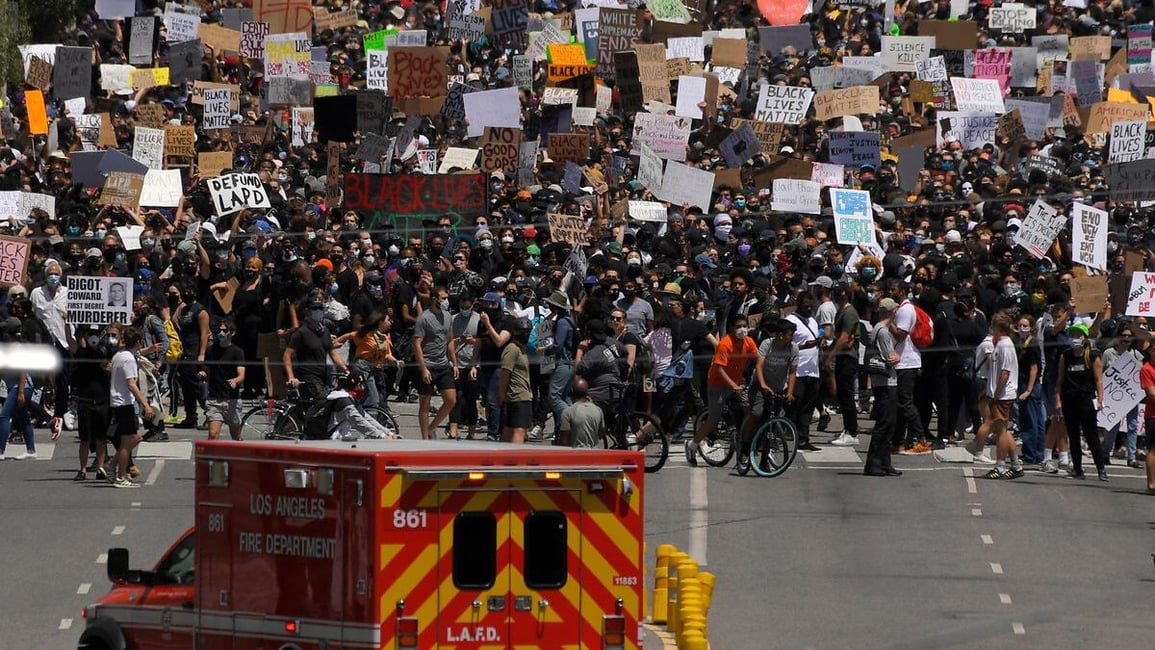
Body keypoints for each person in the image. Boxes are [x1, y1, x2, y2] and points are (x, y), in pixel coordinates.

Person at [685, 314, 757, 467]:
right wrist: (733, 386)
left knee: (750, 411)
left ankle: (743, 444)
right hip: (718, 384)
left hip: (737, 382)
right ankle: (693, 445)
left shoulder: (749, 342)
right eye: (738, 327)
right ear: (731, 328)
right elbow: (719, 368)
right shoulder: (725, 344)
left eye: (744, 326)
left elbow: (758, 359)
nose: (742, 329)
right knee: (714, 419)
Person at [738, 319, 797, 471]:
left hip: (777, 388)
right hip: (760, 385)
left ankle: (765, 459)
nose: (792, 337)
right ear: (780, 335)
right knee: (757, 413)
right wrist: (763, 385)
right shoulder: (767, 344)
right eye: (790, 334)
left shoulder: (793, 348)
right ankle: (745, 449)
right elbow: (759, 365)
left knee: (771, 423)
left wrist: (790, 392)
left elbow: (792, 372)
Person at [1055, 323, 1108, 481]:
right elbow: (1060, 379)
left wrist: (1100, 399)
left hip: (1086, 399)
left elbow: (1098, 380)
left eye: (1078, 335)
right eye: (1072, 335)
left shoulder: (1092, 355)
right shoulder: (1066, 356)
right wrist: (1058, 399)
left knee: (1091, 435)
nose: (1075, 338)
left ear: (1084, 338)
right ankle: (1077, 469)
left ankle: (1101, 469)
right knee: (1073, 435)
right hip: (1069, 399)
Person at [888, 279, 931, 454]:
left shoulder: (905, 310)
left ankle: (921, 439)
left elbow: (900, 335)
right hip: (901, 362)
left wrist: (888, 320)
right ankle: (898, 441)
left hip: (906, 362)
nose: (891, 292)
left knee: (905, 402)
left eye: (893, 289)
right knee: (900, 403)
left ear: (902, 291)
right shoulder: (902, 308)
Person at [107, 327, 153, 488]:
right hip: (124, 403)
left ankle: (112, 465)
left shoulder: (119, 355)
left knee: (133, 439)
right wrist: (145, 404)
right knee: (128, 441)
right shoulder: (128, 359)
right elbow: (132, 384)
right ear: (138, 342)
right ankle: (120, 476)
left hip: (118, 402)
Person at [31, 259, 70, 440]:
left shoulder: (68, 293)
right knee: (40, 380)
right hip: (44, 342)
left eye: (56, 274)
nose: (53, 277)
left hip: (63, 341)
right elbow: (33, 316)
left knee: (62, 380)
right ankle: (41, 414)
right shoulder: (37, 293)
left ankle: (60, 414)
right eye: (50, 274)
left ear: (60, 275)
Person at [413, 284, 459, 440]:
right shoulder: (424, 318)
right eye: (443, 298)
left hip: (443, 364)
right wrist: (423, 368)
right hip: (427, 364)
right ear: (434, 299)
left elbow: (450, 340)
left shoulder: (447, 316)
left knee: (451, 400)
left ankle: (432, 427)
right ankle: (425, 438)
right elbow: (417, 344)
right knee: (425, 403)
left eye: (447, 298)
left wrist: (454, 363)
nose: (446, 301)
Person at [864, 299, 902, 477]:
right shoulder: (883, 332)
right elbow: (890, 358)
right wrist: (898, 356)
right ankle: (874, 463)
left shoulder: (878, 329)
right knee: (885, 423)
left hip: (883, 382)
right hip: (886, 383)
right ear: (891, 311)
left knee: (889, 424)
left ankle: (885, 463)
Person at [284, 294, 349, 399]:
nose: (319, 311)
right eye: (315, 309)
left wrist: (345, 370)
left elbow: (333, 353)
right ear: (308, 311)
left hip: (322, 376)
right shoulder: (302, 332)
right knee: (321, 401)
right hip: (307, 377)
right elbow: (287, 355)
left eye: (321, 308)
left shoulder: (325, 332)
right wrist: (291, 377)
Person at [981, 312, 1022, 480]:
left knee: (1001, 431)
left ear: (998, 327)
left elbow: (1005, 373)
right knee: (1002, 429)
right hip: (998, 393)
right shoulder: (1000, 344)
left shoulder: (1005, 345)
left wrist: (996, 393)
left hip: (1003, 395)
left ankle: (1000, 465)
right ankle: (1016, 464)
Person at [70, 325, 112, 480]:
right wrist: (68, 324)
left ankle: (100, 468)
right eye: (89, 334)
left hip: (102, 400)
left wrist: (105, 364)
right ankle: (82, 469)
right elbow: (71, 341)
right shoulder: (82, 352)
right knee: (85, 439)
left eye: (95, 334)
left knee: (101, 438)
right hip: (85, 400)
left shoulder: (106, 351)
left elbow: (112, 367)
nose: (92, 337)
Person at [785, 291, 823, 452]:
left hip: (813, 370)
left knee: (807, 408)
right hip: (797, 371)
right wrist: (803, 346)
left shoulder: (813, 321)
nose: (809, 309)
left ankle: (803, 438)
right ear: (799, 305)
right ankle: (789, 435)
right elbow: (785, 345)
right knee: (794, 405)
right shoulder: (790, 321)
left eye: (811, 307)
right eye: (806, 306)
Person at [827, 283, 860, 447]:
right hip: (842, 356)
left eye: (840, 293)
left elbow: (844, 338)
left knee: (847, 395)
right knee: (842, 395)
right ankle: (847, 427)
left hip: (848, 356)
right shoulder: (840, 311)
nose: (837, 296)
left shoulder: (849, 312)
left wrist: (830, 356)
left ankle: (851, 431)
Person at [0, 317, 37, 460]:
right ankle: (31, 450)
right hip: (14, 386)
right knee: (23, 418)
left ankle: (1, 450)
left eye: (5, 329)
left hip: (20, 387)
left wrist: (21, 392)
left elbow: (23, 370)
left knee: (4, 417)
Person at [204, 318, 245, 441]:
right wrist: (202, 373)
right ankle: (212, 454)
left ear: (232, 332)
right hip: (214, 400)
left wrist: (236, 381)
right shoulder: (211, 350)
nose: (221, 333)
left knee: (236, 436)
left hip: (232, 400)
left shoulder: (237, 352)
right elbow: (205, 369)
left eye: (225, 331)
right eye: (219, 330)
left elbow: (241, 375)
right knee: (213, 434)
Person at [448, 293, 482, 440]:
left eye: (467, 307)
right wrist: (454, 363)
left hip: (473, 364)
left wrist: (473, 341)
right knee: (455, 398)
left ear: (472, 305)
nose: (464, 309)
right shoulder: (453, 319)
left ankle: (471, 431)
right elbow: (449, 343)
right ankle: (453, 430)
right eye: (462, 307)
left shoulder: (479, 319)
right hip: (457, 363)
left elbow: (480, 343)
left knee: (470, 399)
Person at [546, 290, 578, 440]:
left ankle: (571, 421)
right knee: (564, 396)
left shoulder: (562, 322)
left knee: (554, 397)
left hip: (563, 363)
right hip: (569, 364)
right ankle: (568, 427)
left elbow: (558, 345)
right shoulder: (569, 320)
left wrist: (545, 350)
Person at [497, 317, 533, 443]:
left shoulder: (521, 349)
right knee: (519, 431)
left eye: (527, 332)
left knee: (509, 430)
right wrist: (501, 396)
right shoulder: (512, 349)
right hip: (517, 396)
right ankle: (516, 454)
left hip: (520, 396)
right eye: (522, 331)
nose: (525, 334)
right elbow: (504, 374)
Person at [558, 378, 606, 448]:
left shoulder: (568, 412)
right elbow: (601, 434)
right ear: (587, 392)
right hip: (593, 452)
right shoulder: (598, 410)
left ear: (572, 391)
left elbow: (563, 441)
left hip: (575, 452)